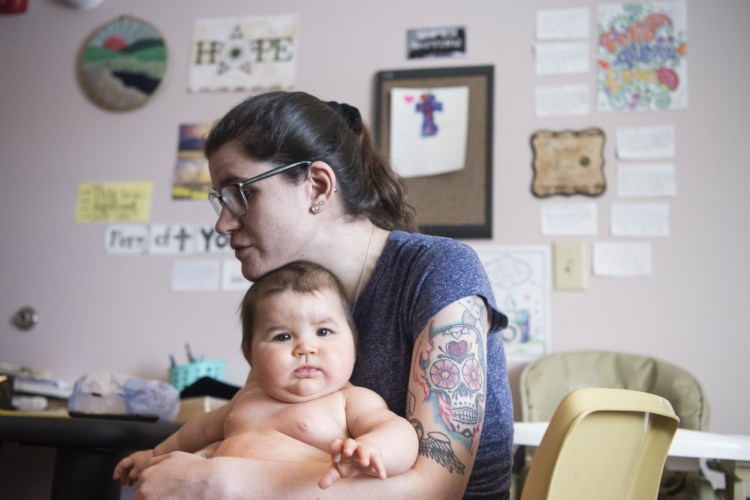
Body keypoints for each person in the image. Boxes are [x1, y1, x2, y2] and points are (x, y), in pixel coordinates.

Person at [133, 90, 514, 499]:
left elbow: (435, 490)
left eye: (240, 193)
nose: (223, 223)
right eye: (221, 201)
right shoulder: (288, 301)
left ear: (316, 186)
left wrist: (219, 481)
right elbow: (254, 436)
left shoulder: (437, 270)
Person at [114, 260, 418, 489]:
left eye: (323, 331)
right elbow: (191, 434)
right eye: (282, 337)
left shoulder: (349, 400)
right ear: (250, 355)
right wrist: (152, 456)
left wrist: (370, 450)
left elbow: (401, 434)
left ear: (354, 343)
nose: (305, 348)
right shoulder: (243, 401)